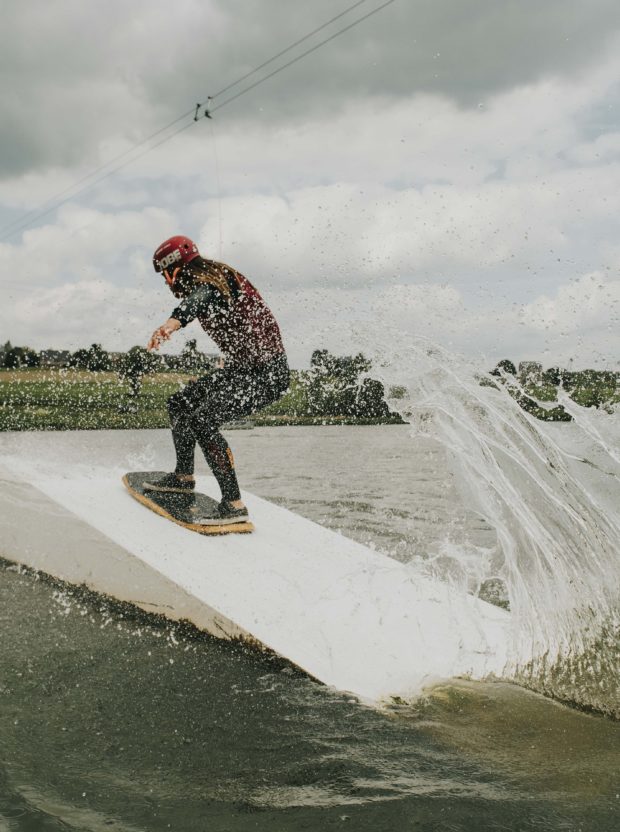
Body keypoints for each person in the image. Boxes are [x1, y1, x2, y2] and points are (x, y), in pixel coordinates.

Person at [144, 235, 289, 524]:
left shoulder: (216, 280)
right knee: (180, 403)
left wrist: (173, 322)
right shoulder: (213, 279)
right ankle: (184, 477)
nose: (165, 283)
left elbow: (202, 297)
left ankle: (234, 505)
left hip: (268, 375)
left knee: (203, 420)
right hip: (243, 370)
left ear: (174, 268)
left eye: (164, 276)